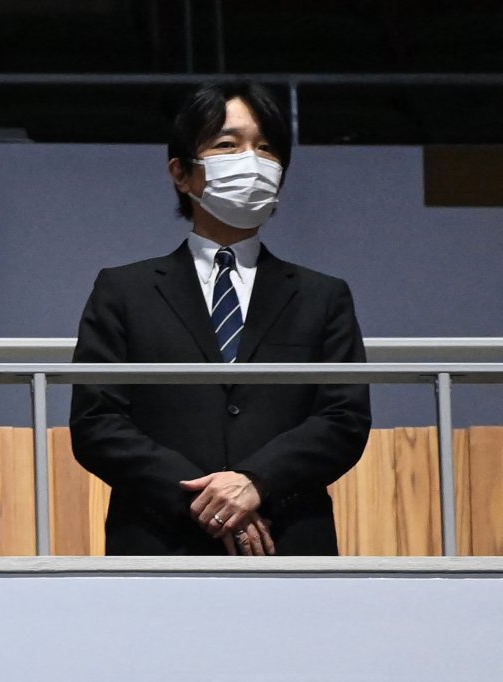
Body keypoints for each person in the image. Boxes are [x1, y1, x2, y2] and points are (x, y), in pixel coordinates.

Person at [69, 81, 371, 556]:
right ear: (182, 173)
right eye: (228, 145)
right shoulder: (123, 290)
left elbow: (343, 418)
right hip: (158, 540)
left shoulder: (323, 296)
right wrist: (204, 501)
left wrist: (256, 481)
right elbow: (97, 422)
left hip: (289, 538)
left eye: (266, 148)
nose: (251, 161)